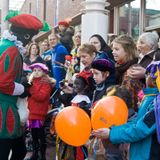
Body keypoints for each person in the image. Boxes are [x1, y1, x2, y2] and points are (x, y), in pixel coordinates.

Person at [0, 11, 50, 160]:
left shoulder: (5, 45)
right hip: (4, 109)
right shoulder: (11, 49)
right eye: (31, 37)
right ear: (25, 35)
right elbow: (3, 83)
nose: (30, 42)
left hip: (7, 107)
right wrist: (23, 89)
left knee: (19, 149)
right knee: (5, 151)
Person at [92, 61, 160, 160]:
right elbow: (137, 122)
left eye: (150, 74)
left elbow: (141, 128)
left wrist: (111, 134)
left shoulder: (157, 105)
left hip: (148, 154)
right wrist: (112, 130)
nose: (146, 76)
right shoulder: (150, 98)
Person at [27, 63, 54, 160]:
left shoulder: (45, 84)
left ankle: (42, 155)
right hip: (31, 113)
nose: (36, 72)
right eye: (34, 70)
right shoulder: (32, 82)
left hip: (39, 114)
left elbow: (41, 97)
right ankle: (35, 154)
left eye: (39, 70)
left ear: (43, 72)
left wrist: (31, 88)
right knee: (33, 135)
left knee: (40, 135)